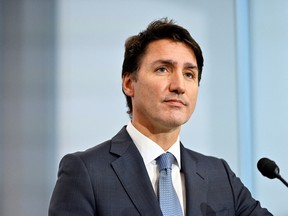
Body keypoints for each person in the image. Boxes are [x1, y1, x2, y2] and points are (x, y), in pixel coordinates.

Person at [49, 18, 272, 216]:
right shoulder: (86, 172)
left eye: (189, 74)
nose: (179, 86)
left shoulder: (219, 175)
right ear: (129, 83)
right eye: (163, 69)